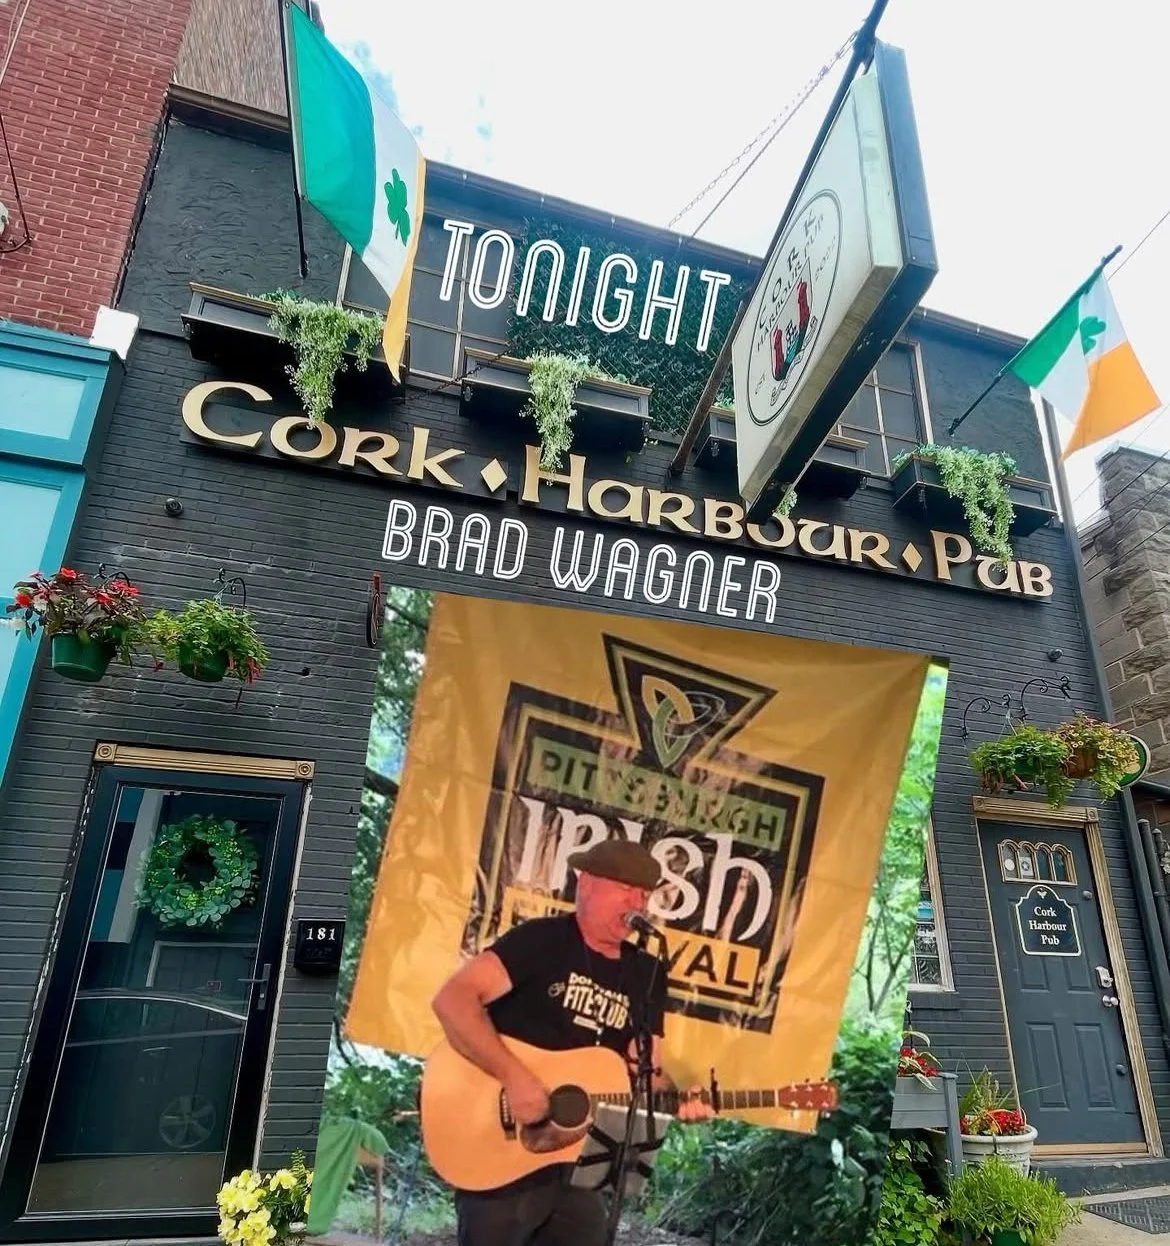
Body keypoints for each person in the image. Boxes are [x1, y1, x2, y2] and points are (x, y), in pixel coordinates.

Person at [431, 838, 711, 1246]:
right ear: (586, 883)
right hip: (503, 1150)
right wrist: (516, 1079)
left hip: (579, 1163)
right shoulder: (540, 940)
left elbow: (646, 1072)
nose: (637, 903)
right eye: (625, 888)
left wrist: (679, 1099)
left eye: (644, 894)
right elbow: (452, 1000)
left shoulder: (647, 973)